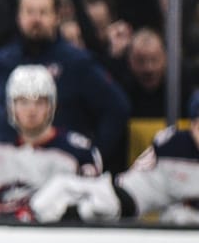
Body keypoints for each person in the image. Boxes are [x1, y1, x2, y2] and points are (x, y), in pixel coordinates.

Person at [0, 0, 130, 168]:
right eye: (29, 12)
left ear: (57, 17)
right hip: (10, 169)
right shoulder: (4, 60)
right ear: (19, 16)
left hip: (60, 169)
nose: (35, 19)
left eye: (43, 12)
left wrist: (94, 155)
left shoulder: (77, 62)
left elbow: (117, 108)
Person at [30, 97, 199, 226]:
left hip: (137, 206)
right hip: (124, 195)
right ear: (192, 125)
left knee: (181, 218)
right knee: (61, 190)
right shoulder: (175, 143)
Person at [0, 65, 102, 220]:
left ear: (51, 105)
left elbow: (94, 209)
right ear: (11, 106)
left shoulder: (79, 152)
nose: (31, 110)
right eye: (23, 102)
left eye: (39, 102)